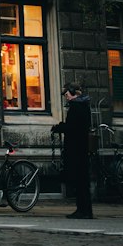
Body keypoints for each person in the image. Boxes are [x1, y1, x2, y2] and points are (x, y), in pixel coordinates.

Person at [53, 81, 93, 218]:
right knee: (83, 181)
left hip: (76, 149)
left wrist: (60, 127)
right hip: (82, 148)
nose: (66, 97)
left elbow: (72, 128)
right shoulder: (84, 106)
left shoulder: (76, 107)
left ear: (72, 93)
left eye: (66, 94)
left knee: (79, 181)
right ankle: (85, 210)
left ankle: (82, 210)